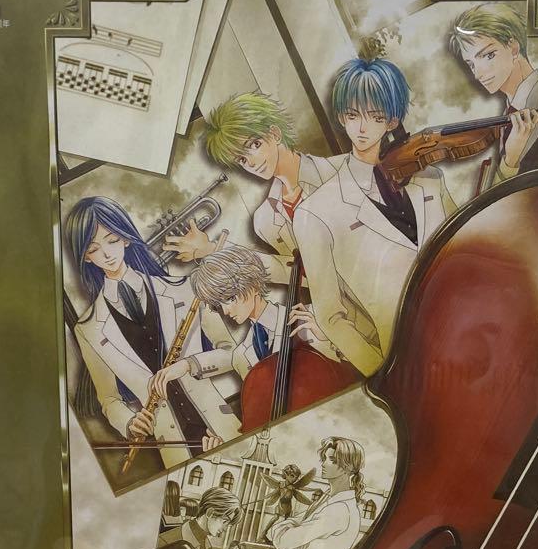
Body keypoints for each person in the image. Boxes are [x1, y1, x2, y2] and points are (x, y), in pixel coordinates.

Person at [290, 57, 457, 375]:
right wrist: (383, 375)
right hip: (407, 362)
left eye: (375, 116)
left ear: (392, 121)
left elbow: (466, 246)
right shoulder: (315, 212)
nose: (362, 127)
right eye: (353, 115)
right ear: (342, 117)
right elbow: (331, 316)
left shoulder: (429, 178)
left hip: (472, 330)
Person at [64, 196, 240, 469]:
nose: (107, 254)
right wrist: (130, 422)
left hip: (222, 426)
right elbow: (109, 399)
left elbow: (232, 353)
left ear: (125, 238)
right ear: (86, 257)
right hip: (173, 450)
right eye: (94, 249)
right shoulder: (87, 329)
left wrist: (189, 364)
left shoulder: (185, 287)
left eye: (112, 240)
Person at [163, 92, 337, 283]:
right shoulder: (265, 219)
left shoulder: (340, 170)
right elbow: (297, 274)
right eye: (242, 159)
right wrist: (211, 250)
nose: (251, 163)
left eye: (254, 144)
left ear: (275, 134)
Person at [155, 244, 341, 386]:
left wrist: (328, 340)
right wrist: (187, 364)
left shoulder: (310, 318)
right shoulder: (242, 356)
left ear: (252, 285)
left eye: (230, 298)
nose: (225, 311)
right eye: (218, 305)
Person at [448, 2, 538, 183]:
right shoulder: (506, 117)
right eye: (471, 64)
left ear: (514, 48)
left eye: (488, 55)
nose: (478, 74)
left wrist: (510, 162)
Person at [267, 436, 365, 549]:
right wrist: (292, 529)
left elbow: (282, 541)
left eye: (332, 460)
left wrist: (288, 529)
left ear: (347, 467)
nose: (324, 464)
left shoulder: (340, 510)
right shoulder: (326, 500)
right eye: (324, 458)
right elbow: (286, 528)